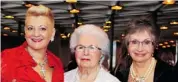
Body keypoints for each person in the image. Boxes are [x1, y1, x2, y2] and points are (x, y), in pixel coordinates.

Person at [1, 5, 64, 82]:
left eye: (42, 28)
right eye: (30, 28)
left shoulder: (57, 62)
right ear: (25, 31)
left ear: (52, 33)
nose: (36, 34)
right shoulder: (6, 58)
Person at [114, 17, 176, 82]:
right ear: (127, 45)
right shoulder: (119, 76)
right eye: (134, 42)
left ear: (154, 45)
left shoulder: (170, 74)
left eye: (146, 42)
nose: (140, 48)